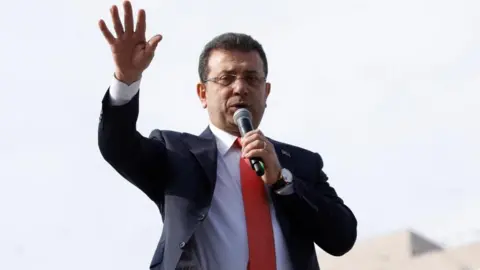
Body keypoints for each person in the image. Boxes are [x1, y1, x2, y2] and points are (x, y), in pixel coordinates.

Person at [97, 1, 357, 269]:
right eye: (226, 78)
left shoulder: (301, 164)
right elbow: (118, 146)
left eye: (251, 78)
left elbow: (342, 237)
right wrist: (126, 80)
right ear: (202, 94)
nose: (240, 88)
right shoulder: (176, 155)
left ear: (266, 93)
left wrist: (282, 180)